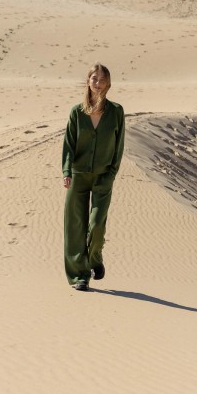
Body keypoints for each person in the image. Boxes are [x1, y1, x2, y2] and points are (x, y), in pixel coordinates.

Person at [62, 63, 125, 290]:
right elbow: (69, 145)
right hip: (78, 176)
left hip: (103, 177)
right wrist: (66, 171)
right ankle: (79, 275)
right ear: (88, 81)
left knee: (97, 224)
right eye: (94, 79)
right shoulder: (76, 113)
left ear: (108, 83)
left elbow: (119, 147)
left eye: (102, 79)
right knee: (75, 227)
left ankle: (95, 258)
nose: (98, 83)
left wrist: (111, 174)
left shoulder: (116, 112)